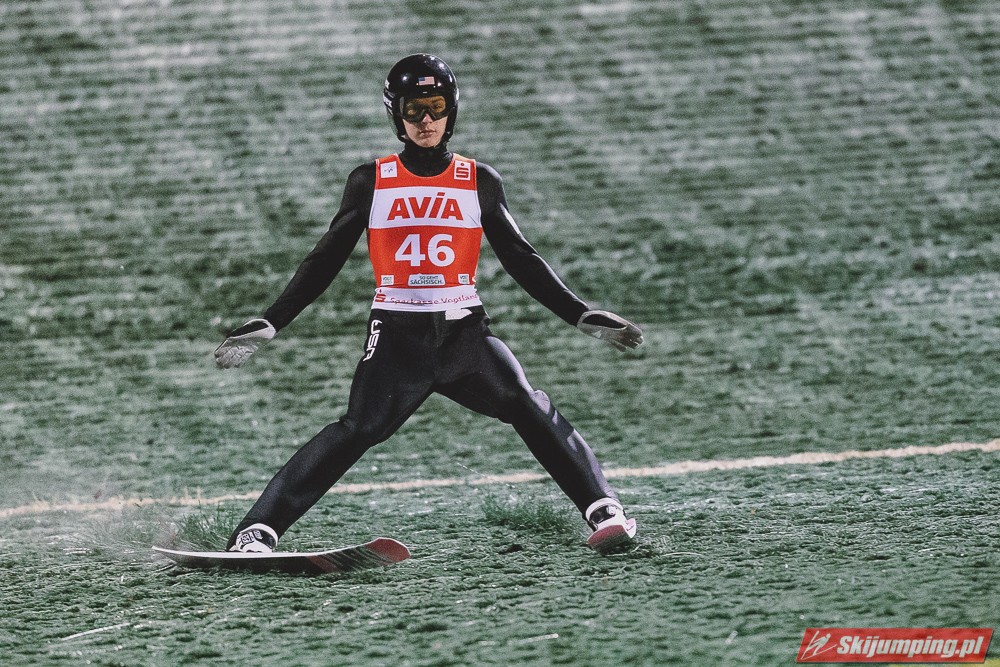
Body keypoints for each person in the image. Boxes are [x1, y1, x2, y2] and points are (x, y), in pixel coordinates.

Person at [215, 53, 644, 555]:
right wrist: (272, 321)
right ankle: (256, 532)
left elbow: (520, 257)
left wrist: (579, 314)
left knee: (527, 403)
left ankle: (605, 512)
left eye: (435, 107)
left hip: (465, 336)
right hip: (398, 339)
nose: (425, 120)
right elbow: (325, 258)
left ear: (451, 110)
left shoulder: (478, 180)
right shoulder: (371, 180)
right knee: (359, 428)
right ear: (395, 114)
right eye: (413, 109)